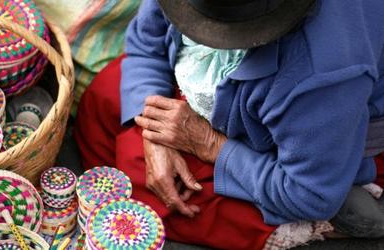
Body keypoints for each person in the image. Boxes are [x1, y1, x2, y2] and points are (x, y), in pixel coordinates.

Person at [75, 0, 384, 249]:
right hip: (239, 103)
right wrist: (153, 132)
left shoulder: (322, 73)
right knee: (105, 97)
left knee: (159, 195)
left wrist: (209, 143)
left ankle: (323, 212)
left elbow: (307, 192)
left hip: (316, 133)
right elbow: (146, 41)